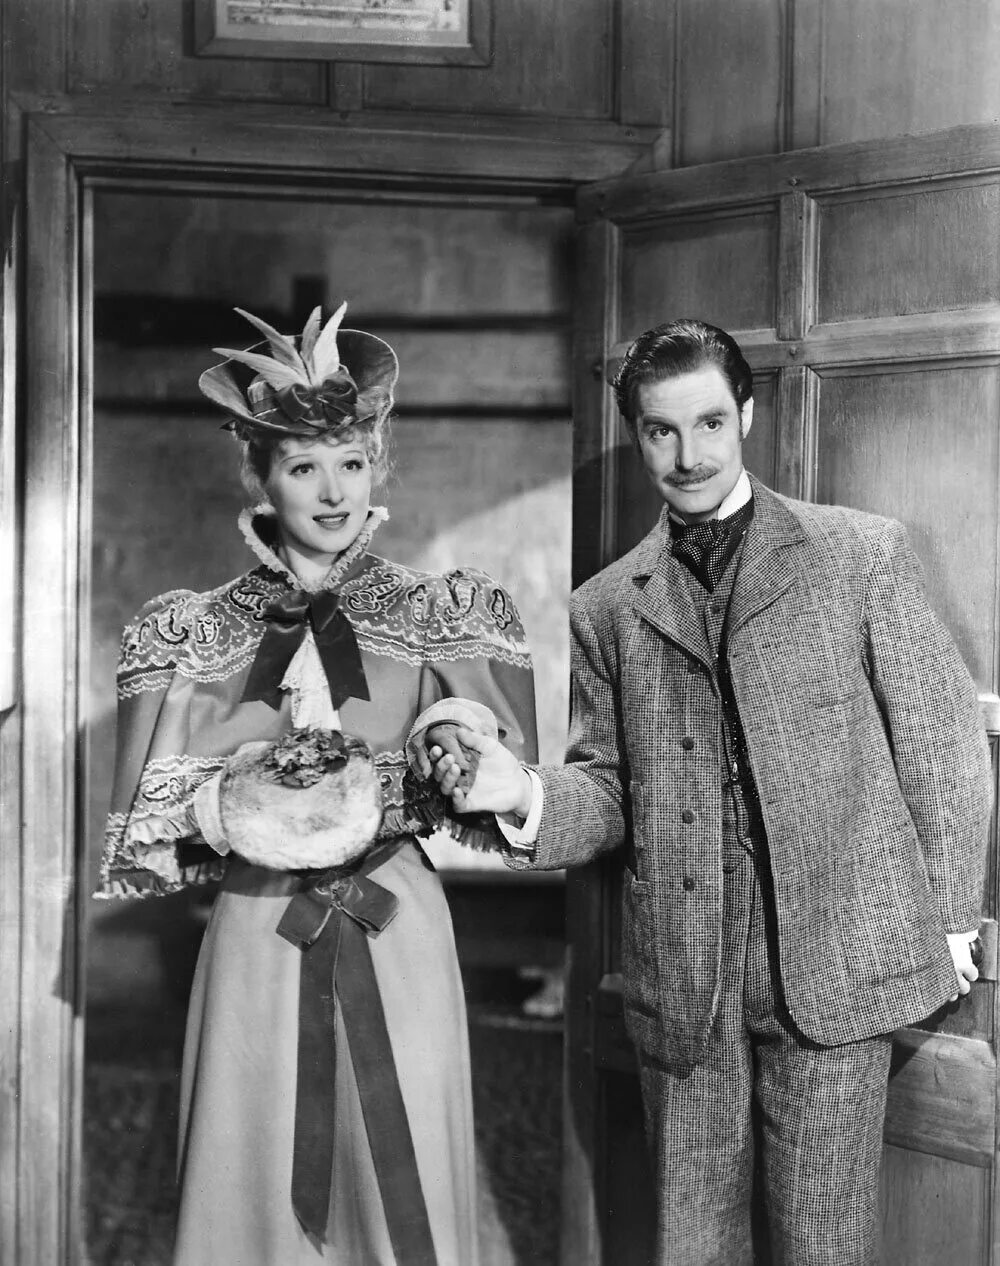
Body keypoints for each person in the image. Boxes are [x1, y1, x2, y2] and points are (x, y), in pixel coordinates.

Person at [425, 319, 993, 1265]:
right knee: (693, 1248)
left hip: (838, 970)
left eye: (709, 424)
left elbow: (942, 746)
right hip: (686, 983)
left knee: (824, 1247)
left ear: (747, 417)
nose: (688, 455)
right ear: (639, 434)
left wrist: (949, 920)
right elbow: (610, 788)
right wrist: (518, 792)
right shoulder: (609, 605)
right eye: (662, 431)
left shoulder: (859, 556)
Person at [97, 301, 538, 1266]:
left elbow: (503, 779)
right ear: (259, 477)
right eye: (303, 467)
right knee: (250, 1167)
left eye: (350, 461)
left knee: (403, 1163)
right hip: (258, 927)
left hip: (396, 920)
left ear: (377, 465)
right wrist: (233, 799)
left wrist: (450, 745)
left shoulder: (433, 613)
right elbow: (151, 824)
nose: (333, 491)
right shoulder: (196, 632)